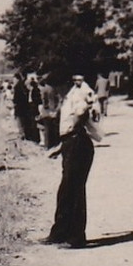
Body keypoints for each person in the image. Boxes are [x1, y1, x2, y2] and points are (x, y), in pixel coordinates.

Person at [44, 78, 102, 248]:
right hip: (71, 142)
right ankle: (60, 233)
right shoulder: (69, 96)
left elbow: (82, 112)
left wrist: (73, 130)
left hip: (77, 143)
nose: (52, 90)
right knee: (65, 191)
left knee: (74, 190)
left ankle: (76, 238)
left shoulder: (77, 94)